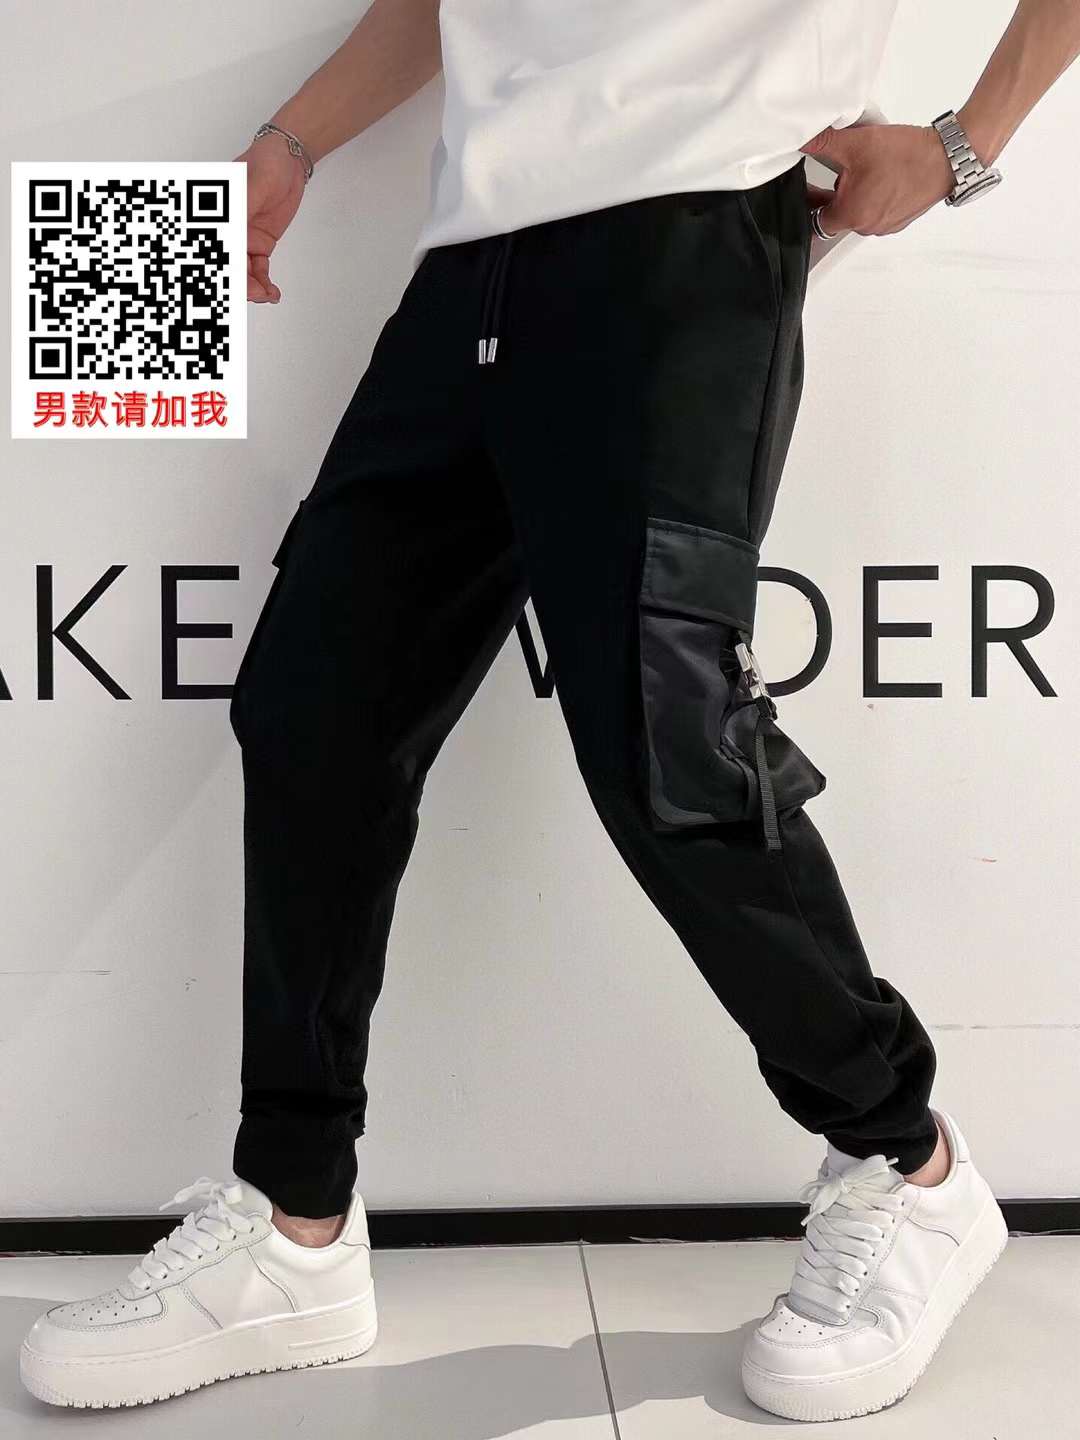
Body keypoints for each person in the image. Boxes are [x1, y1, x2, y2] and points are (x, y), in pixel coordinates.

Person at [20, 0, 1080, 1420]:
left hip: (695, 235)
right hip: (477, 257)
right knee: (312, 707)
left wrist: (963, 147)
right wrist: (296, 142)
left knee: (668, 748)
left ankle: (909, 1163)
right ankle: (295, 1221)